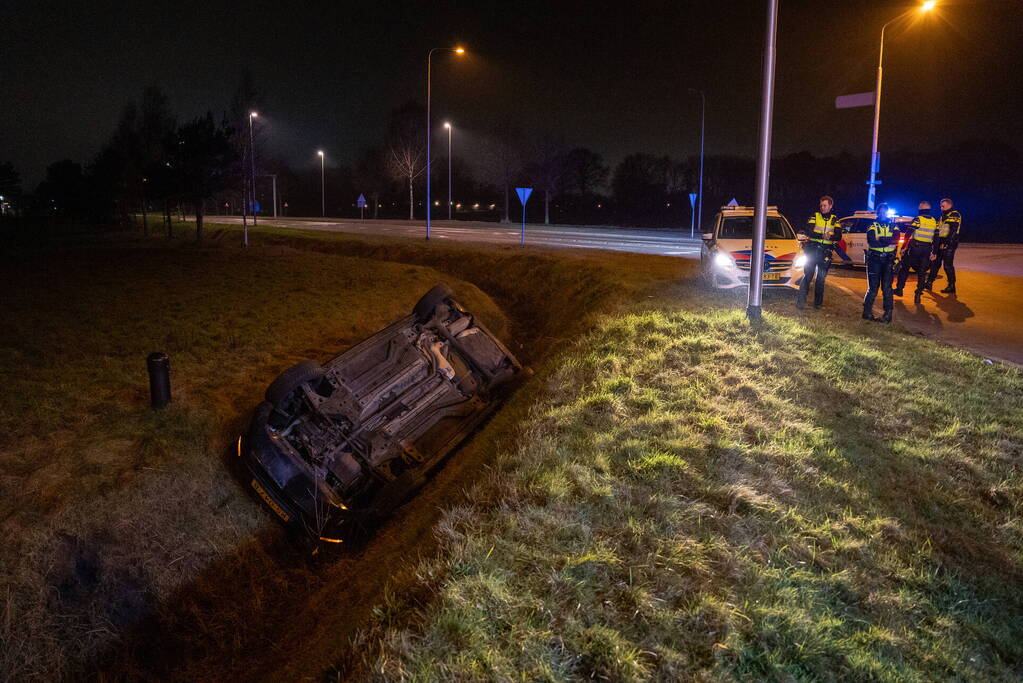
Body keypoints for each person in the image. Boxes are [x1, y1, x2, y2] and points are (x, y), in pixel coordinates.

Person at [796, 195, 843, 309]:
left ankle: (817, 304)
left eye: (825, 205)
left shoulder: (835, 219)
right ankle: (801, 303)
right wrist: (822, 235)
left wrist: (829, 237)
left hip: (825, 252)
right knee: (808, 276)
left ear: (830, 206)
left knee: (821, 279)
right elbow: (809, 231)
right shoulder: (815, 216)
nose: (822, 207)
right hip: (812, 250)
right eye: (821, 205)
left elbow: (839, 236)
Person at [895, 201, 939, 304]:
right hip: (927, 249)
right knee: (922, 272)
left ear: (921, 209)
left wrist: (903, 248)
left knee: (905, 268)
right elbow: (936, 238)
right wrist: (935, 252)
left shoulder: (918, 219)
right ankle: (918, 294)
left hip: (915, 248)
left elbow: (908, 234)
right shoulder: (934, 221)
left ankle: (899, 289)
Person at [862, 203, 900, 322]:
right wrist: (888, 241)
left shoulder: (894, 225)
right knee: (873, 288)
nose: (882, 213)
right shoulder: (872, 225)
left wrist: (882, 240)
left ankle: (888, 315)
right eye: (880, 211)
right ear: (877, 213)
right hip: (874, 259)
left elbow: (896, 239)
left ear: (887, 212)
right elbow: (871, 241)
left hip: (888, 260)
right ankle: (866, 313)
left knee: (887, 288)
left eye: (884, 211)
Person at [925, 197, 962, 294]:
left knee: (947, 266)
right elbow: (940, 231)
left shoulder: (954, 214)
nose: (941, 208)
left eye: (943, 206)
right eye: (941, 206)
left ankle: (951, 286)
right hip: (941, 243)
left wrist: (946, 243)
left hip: (949, 244)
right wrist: (936, 243)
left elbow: (953, 231)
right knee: (935, 264)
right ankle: (929, 282)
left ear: (949, 205)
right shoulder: (943, 216)